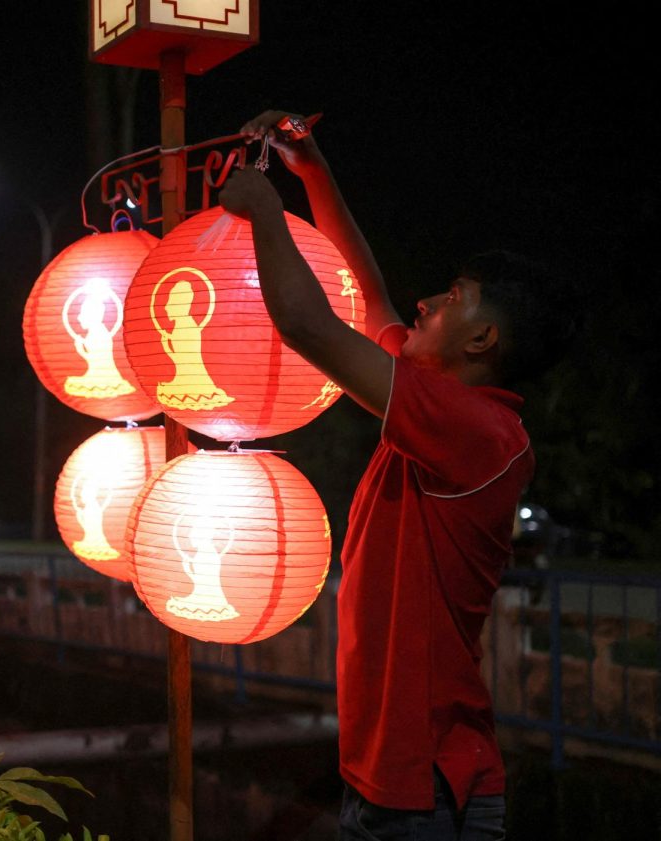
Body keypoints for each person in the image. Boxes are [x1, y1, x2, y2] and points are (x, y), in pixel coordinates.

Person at [218, 110, 574, 840]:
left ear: (483, 339)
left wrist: (263, 208)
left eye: (453, 295)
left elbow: (311, 326)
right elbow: (369, 296)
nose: (427, 301)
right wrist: (312, 170)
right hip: (399, 782)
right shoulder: (439, 413)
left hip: (427, 791)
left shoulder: (475, 430)